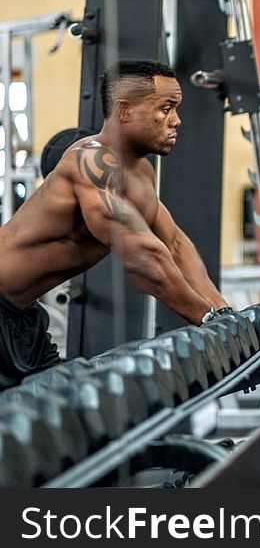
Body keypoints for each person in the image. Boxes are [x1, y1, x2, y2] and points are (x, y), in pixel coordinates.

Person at [0, 60, 230, 390]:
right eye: (166, 109)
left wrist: (225, 315)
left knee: (73, 416)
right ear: (124, 110)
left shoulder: (141, 174)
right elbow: (143, 257)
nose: (176, 120)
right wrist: (206, 319)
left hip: (22, 317)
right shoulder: (90, 160)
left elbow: (175, 245)